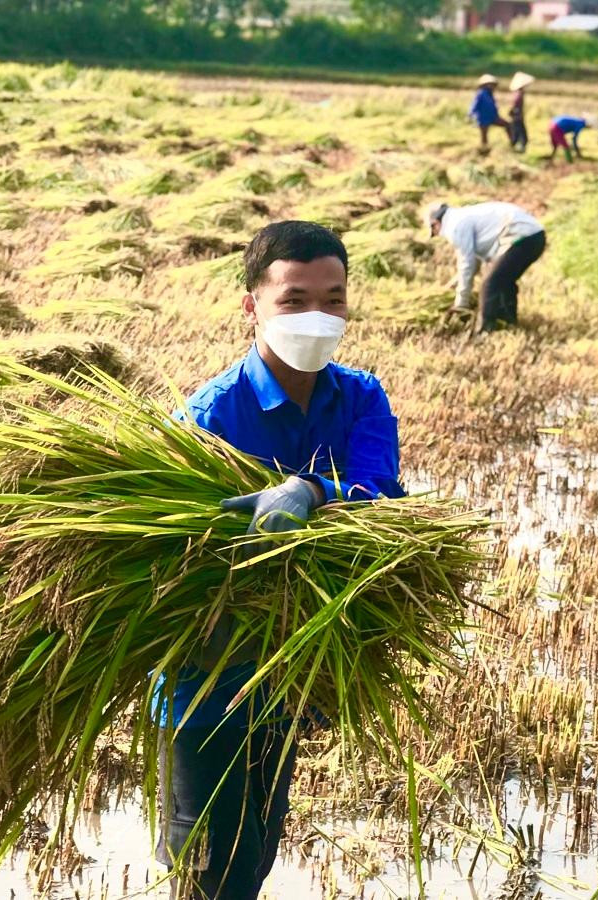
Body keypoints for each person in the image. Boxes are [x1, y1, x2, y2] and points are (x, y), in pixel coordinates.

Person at [155, 220, 404, 900]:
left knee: (258, 849)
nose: (317, 316)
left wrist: (312, 489)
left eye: (334, 298)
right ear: (251, 306)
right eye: (295, 300)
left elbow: (380, 495)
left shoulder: (360, 397)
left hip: (293, 669)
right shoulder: (211, 417)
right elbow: (172, 553)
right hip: (208, 672)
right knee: (208, 864)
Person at [426, 201, 546, 334]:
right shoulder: (462, 216)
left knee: (490, 284)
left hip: (521, 236)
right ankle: (508, 325)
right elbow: (474, 263)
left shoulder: (454, 226)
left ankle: (486, 331)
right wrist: (452, 285)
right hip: (535, 236)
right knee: (503, 281)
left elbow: (467, 264)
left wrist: (461, 302)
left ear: (436, 224)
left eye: (434, 232)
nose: (438, 235)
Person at [468, 74, 508, 151]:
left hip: (492, 117)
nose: (492, 86)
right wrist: (470, 114)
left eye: (493, 85)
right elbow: (474, 105)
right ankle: (484, 150)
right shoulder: (480, 94)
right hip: (483, 119)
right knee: (484, 136)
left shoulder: (490, 94)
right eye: (490, 84)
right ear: (485, 85)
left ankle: (512, 143)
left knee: (507, 125)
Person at [507, 72, 535, 153]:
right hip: (517, 118)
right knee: (519, 135)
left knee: (518, 134)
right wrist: (515, 112)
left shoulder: (519, 93)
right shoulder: (519, 94)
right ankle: (516, 150)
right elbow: (515, 105)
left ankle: (515, 149)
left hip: (518, 117)